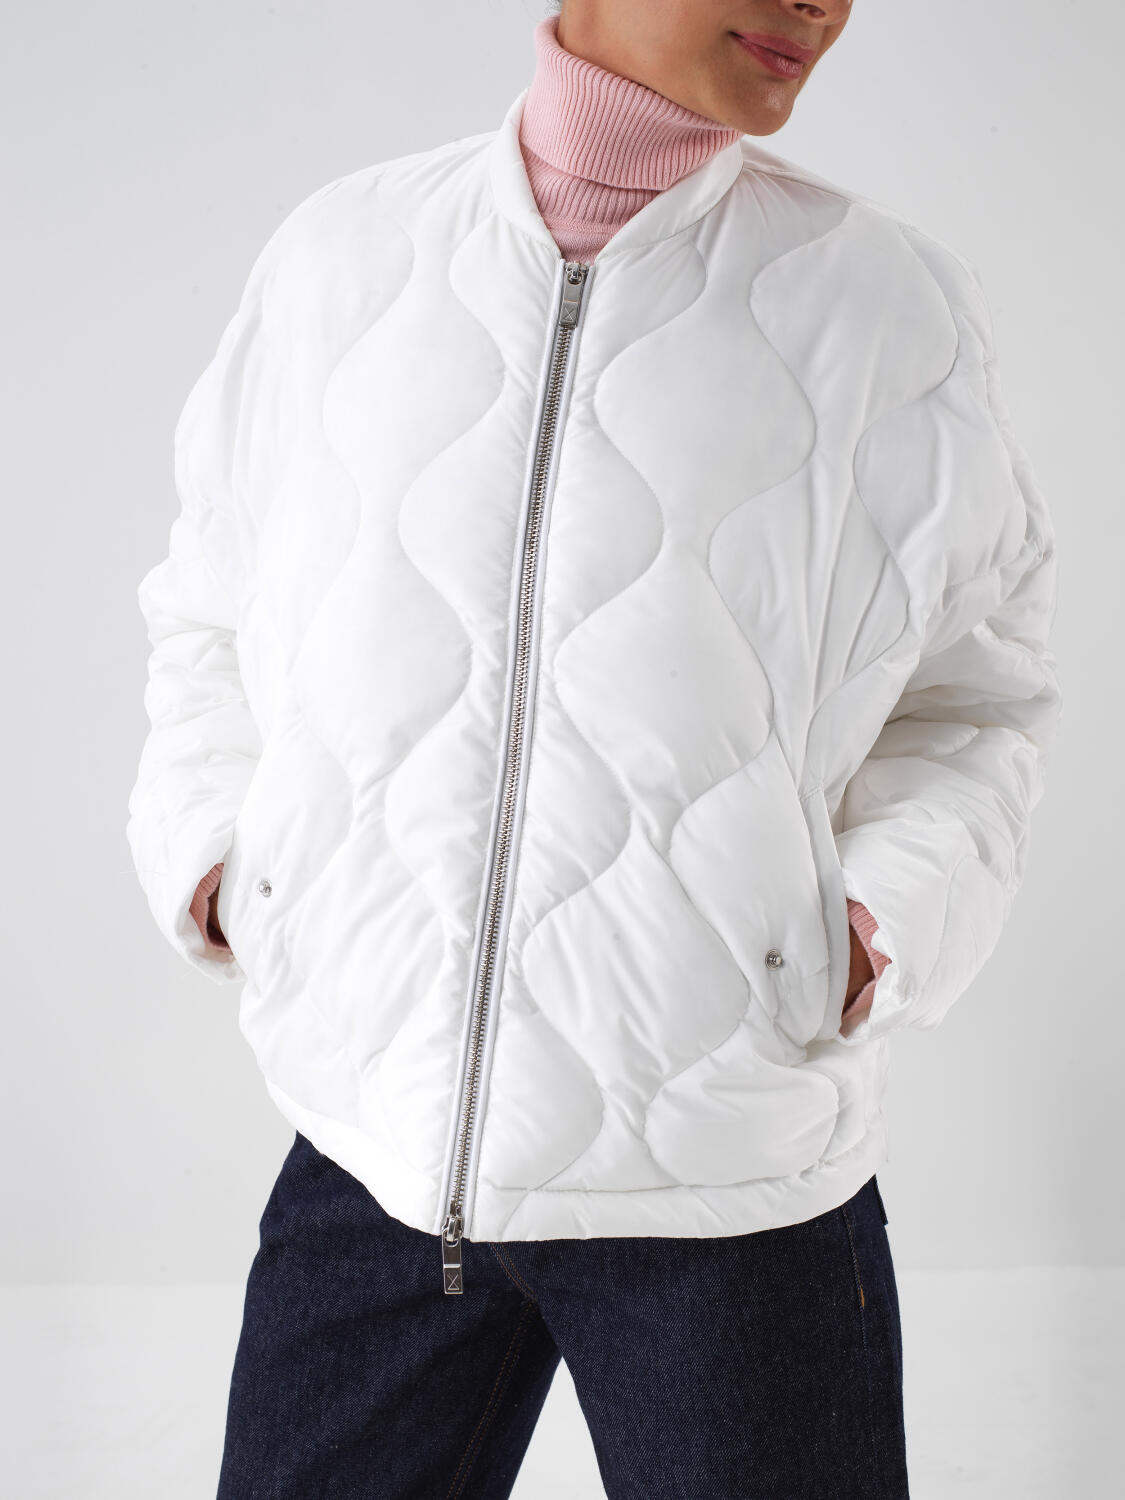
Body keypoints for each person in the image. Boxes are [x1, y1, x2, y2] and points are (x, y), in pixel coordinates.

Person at [126, 2, 1062, 1495]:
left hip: (727, 1178)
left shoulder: (886, 304)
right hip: (372, 1154)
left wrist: (882, 922)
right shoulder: (340, 255)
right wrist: (230, 867)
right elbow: (206, 617)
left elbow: (972, 694)